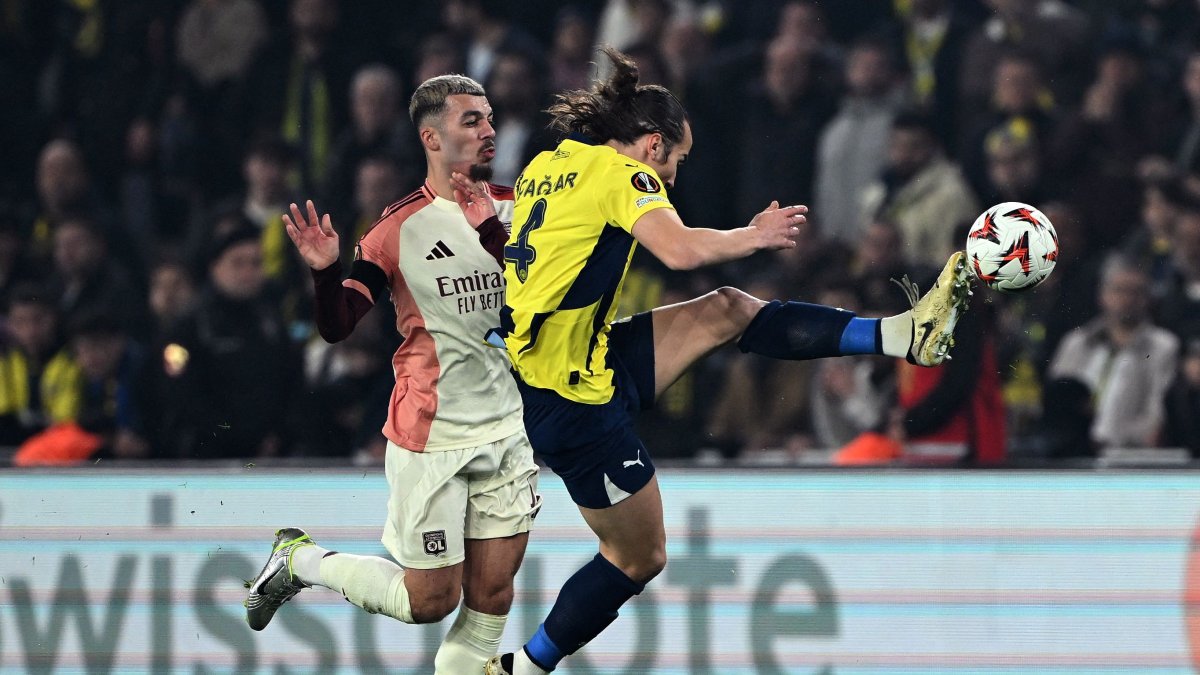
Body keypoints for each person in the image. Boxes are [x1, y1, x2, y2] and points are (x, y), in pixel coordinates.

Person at [462, 48, 972, 675]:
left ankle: (902, 336)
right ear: (652, 145)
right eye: (676, 160)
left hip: (582, 357)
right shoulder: (627, 178)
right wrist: (751, 236)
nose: (673, 177)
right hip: (572, 403)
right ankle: (524, 668)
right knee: (638, 556)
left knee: (729, 308)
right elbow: (677, 251)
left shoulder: (550, 162)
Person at [242, 74, 540, 675]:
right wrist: (326, 274)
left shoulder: (519, 207)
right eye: (471, 120)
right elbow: (339, 324)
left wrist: (492, 229)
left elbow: (544, 295)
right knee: (431, 600)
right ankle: (299, 562)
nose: (489, 131)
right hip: (432, 432)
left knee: (492, 600)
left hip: (508, 427)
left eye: (489, 118)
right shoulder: (395, 231)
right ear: (431, 136)